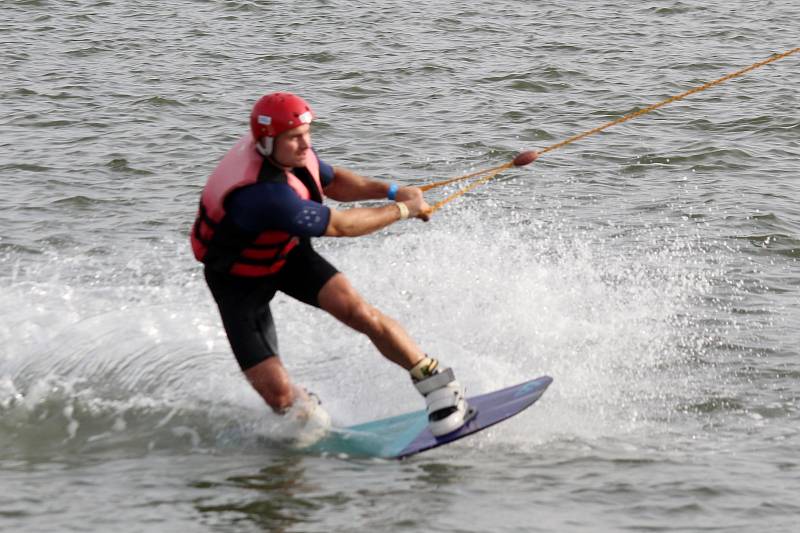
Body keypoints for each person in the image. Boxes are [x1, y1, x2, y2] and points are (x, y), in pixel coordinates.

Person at [191, 92, 470, 437]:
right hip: (237, 280)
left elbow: (333, 181)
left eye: (307, 135)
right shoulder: (264, 194)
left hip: (287, 255)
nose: (304, 145)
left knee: (357, 311)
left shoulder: (290, 153)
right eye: (294, 138)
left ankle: (440, 387)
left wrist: (394, 191)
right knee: (280, 396)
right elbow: (341, 226)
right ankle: (303, 412)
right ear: (265, 143)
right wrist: (405, 210)